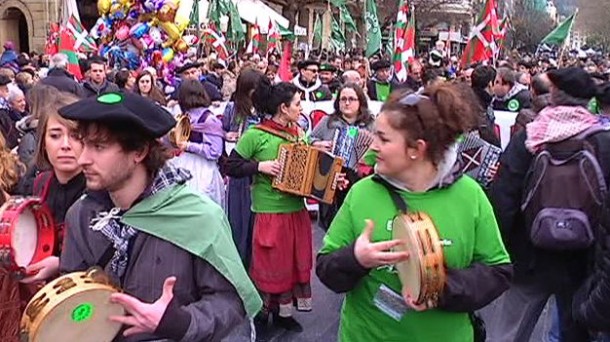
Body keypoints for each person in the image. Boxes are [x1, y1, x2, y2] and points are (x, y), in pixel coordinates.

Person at [58, 92, 261, 342]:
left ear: (139, 152)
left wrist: (177, 322)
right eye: (84, 144)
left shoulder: (198, 217)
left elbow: (229, 302)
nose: (82, 159)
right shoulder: (82, 214)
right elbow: (75, 298)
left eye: (99, 147)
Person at [316, 84, 512, 342]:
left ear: (416, 149)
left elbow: (498, 272)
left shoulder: (469, 195)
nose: (372, 147)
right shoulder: (362, 192)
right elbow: (325, 267)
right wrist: (355, 258)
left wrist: (437, 287)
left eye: (383, 139)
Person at [488, 68, 609, 342]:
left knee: (508, 332)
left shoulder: (531, 137)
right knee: (573, 332)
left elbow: (504, 196)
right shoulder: (602, 141)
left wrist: (501, 253)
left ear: (554, 95)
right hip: (581, 259)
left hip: (528, 255)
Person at [225, 80, 338, 335]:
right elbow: (230, 166)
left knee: (291, 263)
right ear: (283, 108)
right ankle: (263, 312)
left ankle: (284, 313)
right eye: (297, 104)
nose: (301, 109)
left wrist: (328, 174)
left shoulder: (299, 133)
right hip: (269, 212)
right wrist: (259, 167)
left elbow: (308, 168)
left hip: (296, 210)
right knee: (270, 264)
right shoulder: (256, 135)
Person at [0, 91, 82, 342]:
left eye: (76, 135)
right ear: (43, 141)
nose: (65, 144)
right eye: (55, 135)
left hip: (80, 308)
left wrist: (61, 264)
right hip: (37, 303)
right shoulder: (39, 182)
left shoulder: (100, 192)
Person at [310, 83, 374, 230]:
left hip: (359, 180)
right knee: (333, 223)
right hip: (331, 177)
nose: (346, 103)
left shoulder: (370, 124)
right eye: (343, 99)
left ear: (360, 102)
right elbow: (309, 139)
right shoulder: (328, 122)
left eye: (351, 99)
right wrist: (318, 144)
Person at [221, 69, 265, 266]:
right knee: (238, 221)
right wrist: (226, 135)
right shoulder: (232, 108)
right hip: (238, 171)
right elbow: (222, 130)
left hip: (260, 170)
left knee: (257, 222)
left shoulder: (265, 110)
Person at [169, 79, 225, 209]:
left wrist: (189, 146)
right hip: (184, 164)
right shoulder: (183, 116)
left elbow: (215, 151)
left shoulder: (209, 120)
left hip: (203, 169)